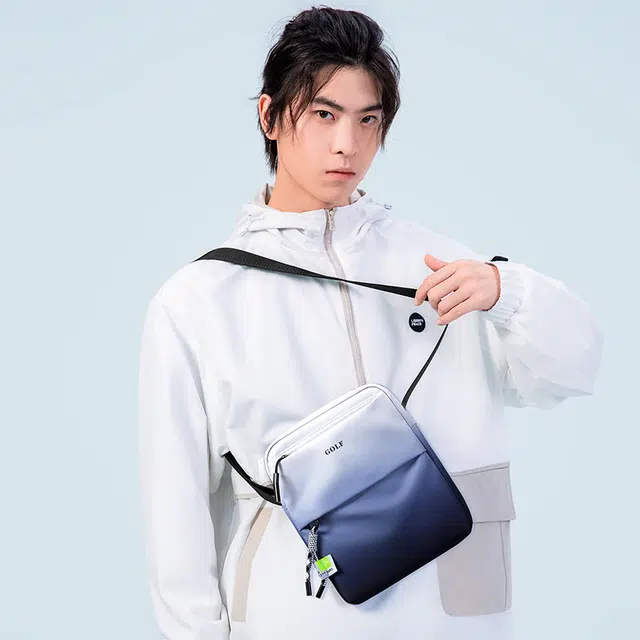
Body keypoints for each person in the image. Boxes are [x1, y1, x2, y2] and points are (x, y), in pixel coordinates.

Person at [136, 6, 603, 640]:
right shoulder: (199, 301)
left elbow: (575, 369)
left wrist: (506, 290)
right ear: (269, 116)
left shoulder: (443, 267)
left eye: (368, 120)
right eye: (323, 114)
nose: (347, 145)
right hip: (294, 619)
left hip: (455, 618)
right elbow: (176, 513)